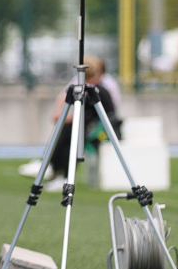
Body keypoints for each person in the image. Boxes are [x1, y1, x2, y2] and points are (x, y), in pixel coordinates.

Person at [41, 54, 121, 191]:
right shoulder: (86, 88)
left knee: (70, 133)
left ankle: (52, 167)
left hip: (102, 131)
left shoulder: (100, 90)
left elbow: (104, 116)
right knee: (68, 134)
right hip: (90, 127)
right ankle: (59, 173)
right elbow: (68, 100)